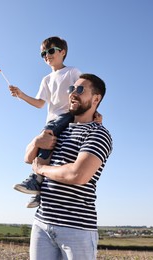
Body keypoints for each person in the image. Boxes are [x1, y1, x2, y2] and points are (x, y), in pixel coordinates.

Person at [25, 73, 112, 259]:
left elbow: (78, 175)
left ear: (96, 99)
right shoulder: (58, 126)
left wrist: (41, 170)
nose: (73, 93)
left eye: (80, 90)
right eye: (71, 89)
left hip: (76, 228)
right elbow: (27, 158)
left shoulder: (98, 134)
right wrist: (36, 141)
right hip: (42, 223)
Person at [9, 36, 102, 208]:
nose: (47, 55)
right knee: (48, 150)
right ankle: (40, 192)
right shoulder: (46, 80)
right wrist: (21, 95)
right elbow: (39, 103)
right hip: (52, 119)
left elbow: (82, 93)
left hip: (67, 115)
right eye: (43, 53)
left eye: (51, 51)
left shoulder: (72, 72)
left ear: (63, 52)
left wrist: (95, 112)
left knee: (47, 140)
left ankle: (34, 178)